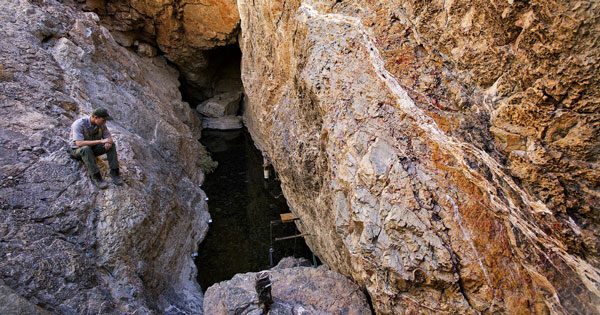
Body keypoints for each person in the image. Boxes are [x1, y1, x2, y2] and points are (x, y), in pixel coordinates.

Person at [70, 108, 124, 189]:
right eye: (103, 120)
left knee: (111, 145)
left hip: (92, 149)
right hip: (77, 150)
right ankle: (97, 177)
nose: (105, 122)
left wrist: (108, 142)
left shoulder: (101, 124)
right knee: (86, 149)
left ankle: (115, 173)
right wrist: (101, 141)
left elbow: (108, 137)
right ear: (95, 117)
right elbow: (79, 143)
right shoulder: (79, 124)